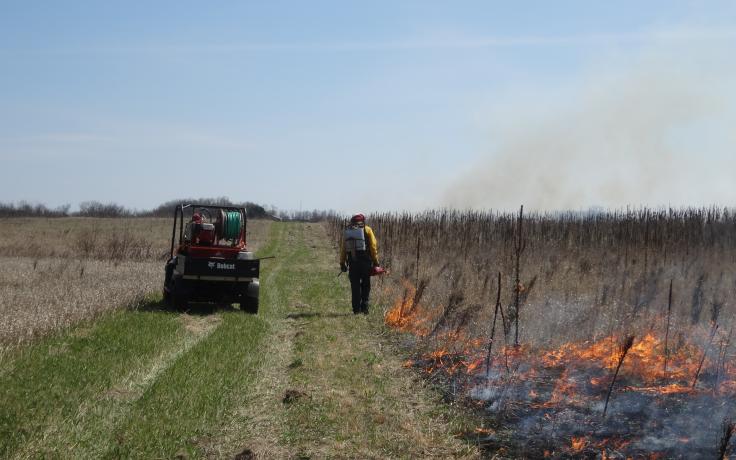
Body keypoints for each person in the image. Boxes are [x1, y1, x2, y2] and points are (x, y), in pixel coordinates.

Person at [339, 213, 379, 314]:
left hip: (353, 263)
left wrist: (342, 262)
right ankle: (365, 308)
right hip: (366, 263)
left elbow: (343, 249)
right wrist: (375, 261)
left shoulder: (348, 231)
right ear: (363, 221)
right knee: (366, 285)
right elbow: (373, 247)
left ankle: (356, 310)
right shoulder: (368, 229)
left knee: (355, 286)